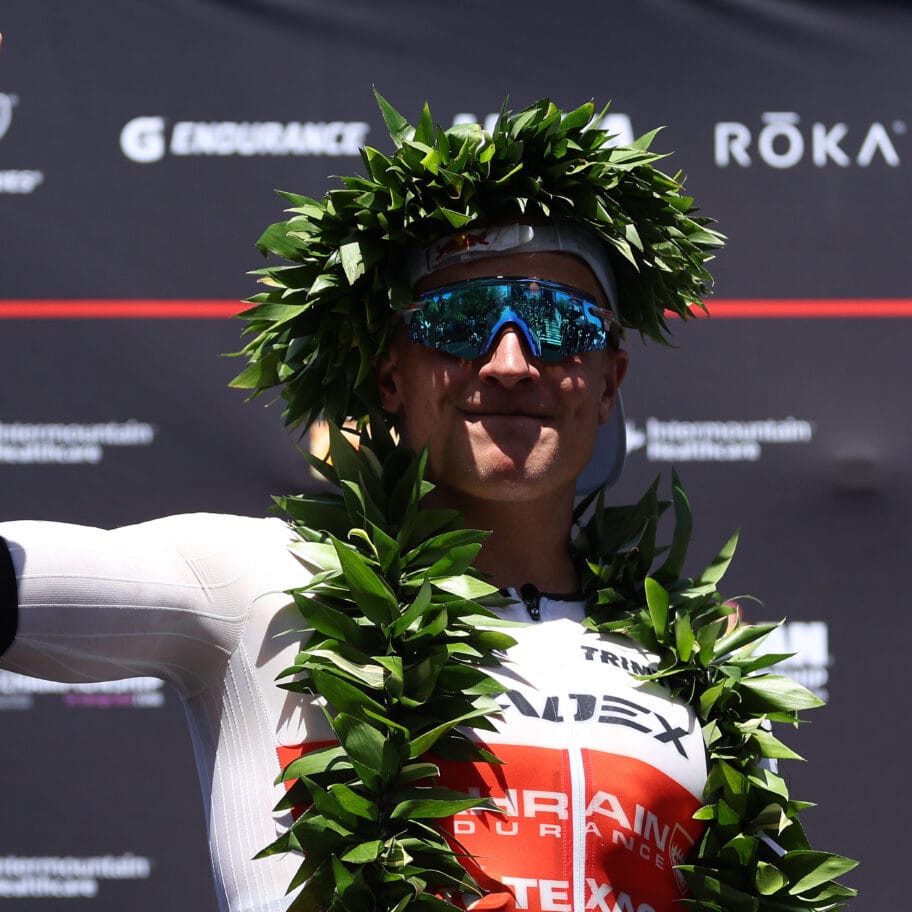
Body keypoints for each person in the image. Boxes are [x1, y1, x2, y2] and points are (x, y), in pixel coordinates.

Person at [0, 96, 853, 912]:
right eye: (463, 317)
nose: (512, 361)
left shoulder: (701, 671)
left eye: (561, 324)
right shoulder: (262, 583)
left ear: (607, 382)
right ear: (390, 378)